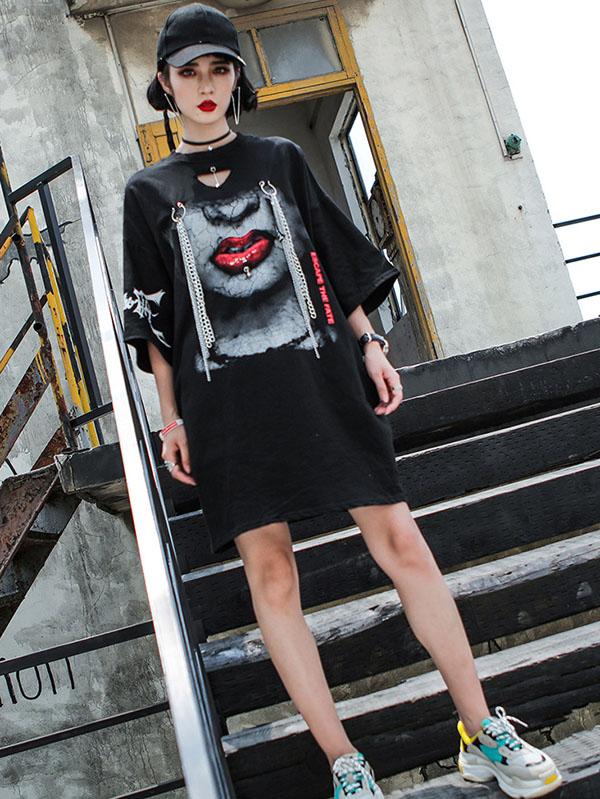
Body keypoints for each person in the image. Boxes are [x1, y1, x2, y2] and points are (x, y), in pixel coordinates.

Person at [122, 4, 563, 797]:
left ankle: (481, 727)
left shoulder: (282, 159)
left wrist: (369, 343)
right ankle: (345, 763)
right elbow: (156, 320)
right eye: (189, 72)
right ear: (165, 83)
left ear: (236, 77)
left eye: (219, 68)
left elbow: (330, 255)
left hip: (321, 381)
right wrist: (170, 416)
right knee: (272, 576)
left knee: (401, 541)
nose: (206, 85)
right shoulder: (147, 192)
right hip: (226, 410)